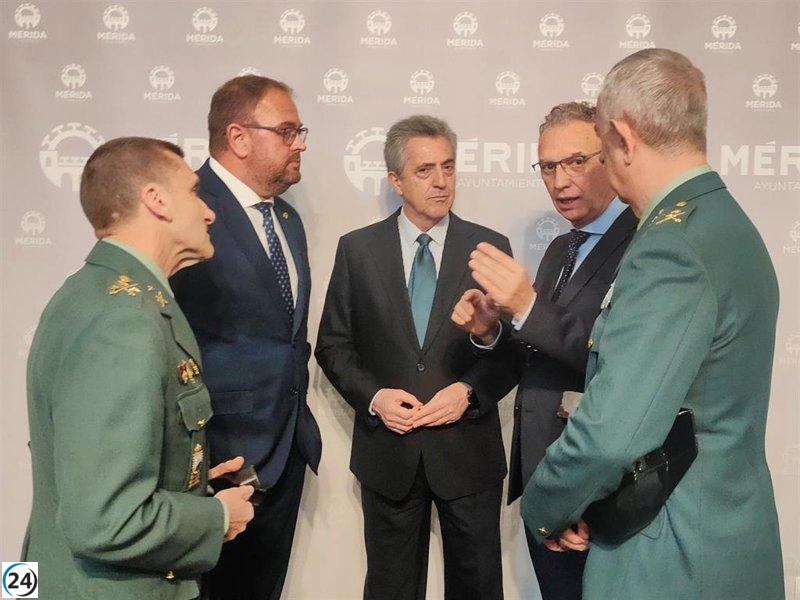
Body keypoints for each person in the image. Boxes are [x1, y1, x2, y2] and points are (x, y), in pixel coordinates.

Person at [521, 49, 784, 599]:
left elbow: (612, 434)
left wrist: (545, 502)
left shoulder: (672, 247)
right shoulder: (724, 221)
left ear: (620, 136)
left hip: (670, 552)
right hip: (723, 535)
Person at [21, 137, 254, 600]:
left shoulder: (96, 292)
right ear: (156, 200)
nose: (209, 212)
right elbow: (104, 519)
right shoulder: (123, 321)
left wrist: (182, 480)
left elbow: (91, 469)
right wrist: (216, 518)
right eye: (194, 192)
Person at [315, 115, 511, 600]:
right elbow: (333, 345)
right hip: (391, 456)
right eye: (424, 170)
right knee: (390, 588)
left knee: (478, 586)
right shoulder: (357, 250)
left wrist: (469, 391)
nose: (441, 181)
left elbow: (512, 353)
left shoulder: (489, 249)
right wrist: (375, 396)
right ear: (395, 180)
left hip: (467, 454)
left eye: (448, 166)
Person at [451, 101, 637, 600]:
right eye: (549, 167)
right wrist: (491, 330)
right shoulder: (562, 247)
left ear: (613, 155)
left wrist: (528, 304)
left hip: (597, 499)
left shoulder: (643, 242)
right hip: (546, 486)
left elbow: (617, 360)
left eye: (577, 161)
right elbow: (542, 352)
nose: (560, 181)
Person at [170, 75, 322, 600]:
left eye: (300, 130)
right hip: (213, 461)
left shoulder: (287, 218)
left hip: (284, 453)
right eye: (287, 131)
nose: (300, 142)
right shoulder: (185, 208)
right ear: (237, 138)